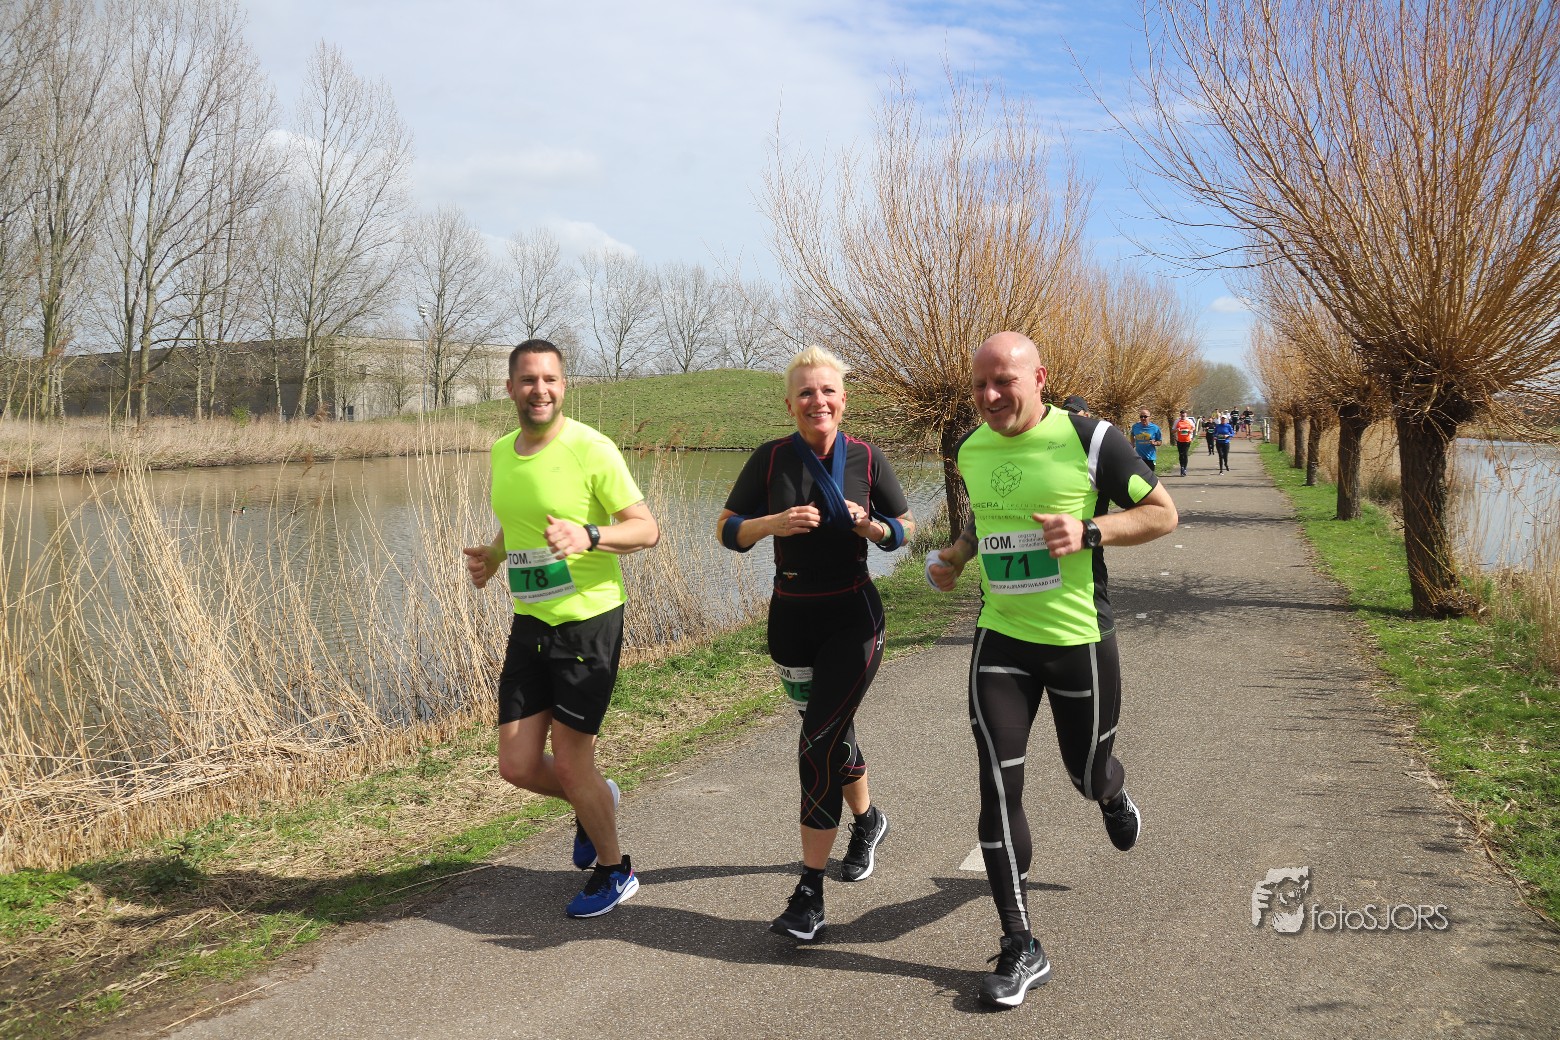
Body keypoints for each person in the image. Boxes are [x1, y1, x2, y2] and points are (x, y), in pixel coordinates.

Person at [927, 331, 1177, 1008]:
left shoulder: (1093, 440)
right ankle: (1021, 944)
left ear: (1039, 378)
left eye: (1003, 382)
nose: (989, 396)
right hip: (1001, 641)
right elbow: (985, 522)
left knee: (1085, 773)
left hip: (1077, 641)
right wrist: (956, 559)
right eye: (979, 384)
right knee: (996, 785)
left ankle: (1111, 793)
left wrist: (1090, 531)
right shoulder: (972, 449)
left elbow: (1162, 514)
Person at [717, 345, 915, 942]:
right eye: (805, 392)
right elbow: (726, 528)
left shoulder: (867, 457)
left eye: (827, 391)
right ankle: (868, 819)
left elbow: (904, 530)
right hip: (791, 620)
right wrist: (771, 524)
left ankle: (809, 894)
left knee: (817, 743)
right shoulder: (771, 458)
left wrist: (871, 526)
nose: (817, 401)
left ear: (843, 399)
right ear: (790, 404)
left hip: (854, 618)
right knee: (829, 730)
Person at [462, 339, 660, 919]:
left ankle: (615, 871)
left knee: (573, 762)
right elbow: (521, 522)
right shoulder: (503, 451)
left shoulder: (591, 448)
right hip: (531, 619)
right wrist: (494, 556)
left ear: (564, 386)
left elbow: (646, 530)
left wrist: (589, 535)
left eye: (549, 379)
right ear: (510, 388)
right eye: (528, 380)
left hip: (588, 621)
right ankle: (595, 796)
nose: (539, 390)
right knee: (517, 765)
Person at [1172, 409, 1197, 477]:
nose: (1183, 415)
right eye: (1182, 414)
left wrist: (1191, 430)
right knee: (1181, 454)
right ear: (1180, 415)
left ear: (1186, 414)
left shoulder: (1189, 420)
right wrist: (1177, 430)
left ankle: (1184, 469)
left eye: (1184, 413)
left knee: (1185, 454)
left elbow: (1193, 427)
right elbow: (1173, 431)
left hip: (1187, 440)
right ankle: (1182, 467)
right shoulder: (1177, 421)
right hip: (1179, 440)